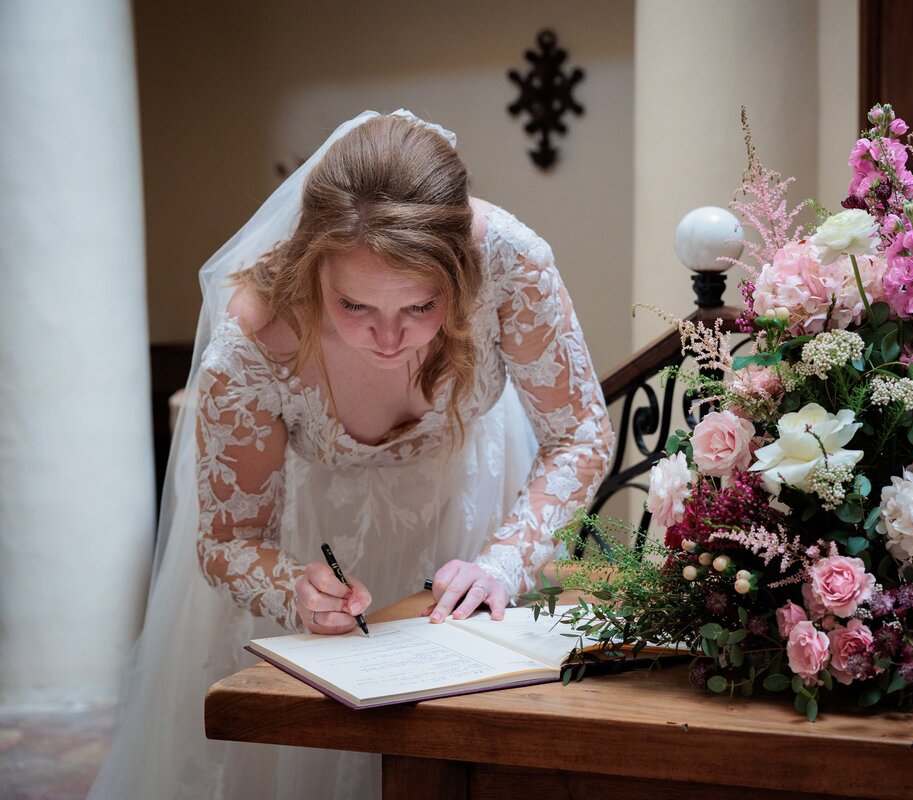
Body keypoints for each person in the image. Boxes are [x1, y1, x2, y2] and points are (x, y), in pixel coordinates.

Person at [86, 110, 613, 799]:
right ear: (313, 268)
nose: (389, 341)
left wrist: (504, 562)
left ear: (461, 274)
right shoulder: (256, 336)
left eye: (420, 307)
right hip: (318, 537)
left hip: (473, 527)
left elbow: (581, 434)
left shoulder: (511, 261)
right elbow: (228, 539)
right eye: (355, 306)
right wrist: (293, 589)